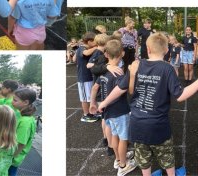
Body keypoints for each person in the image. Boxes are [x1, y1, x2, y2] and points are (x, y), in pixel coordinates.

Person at [98, 32, 198, 176]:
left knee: (144, 161)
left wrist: (104, 102)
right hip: (159, 126)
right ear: (166, 50)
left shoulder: (137, 65)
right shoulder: (167, 69)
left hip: (137, 125)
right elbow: (180, 95)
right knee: (167, 158)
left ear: (148, 49)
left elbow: (120, 88)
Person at [90, 40, 136, 176]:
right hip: (119, 111)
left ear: (106, 54)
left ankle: (118, 159)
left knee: (115, 135)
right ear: (122, 53)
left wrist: (93, 103)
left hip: (107, 111)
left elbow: (94, 87)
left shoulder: (105, 70)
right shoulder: (119, 72)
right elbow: (127, 90)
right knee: (123, 138)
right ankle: (123, 165)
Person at [8, 88, 37, 176]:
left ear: (25, 102)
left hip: (13, 157)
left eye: (15, 100)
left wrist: (10, 157)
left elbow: (21, 143)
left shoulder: (25, 122)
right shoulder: (23, 115)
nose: (12, 102)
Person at [73, 32, 98, 123]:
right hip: (83, 78)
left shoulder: (88, 48)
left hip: (89, 77)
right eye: (95, 42)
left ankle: (92, 112)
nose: (96, 43)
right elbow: (86, 53)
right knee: (84, 98)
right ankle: (85, 115)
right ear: (89, 41)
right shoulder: (82, 48)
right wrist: (96, 48)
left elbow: (74, 59)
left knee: (90, 96)